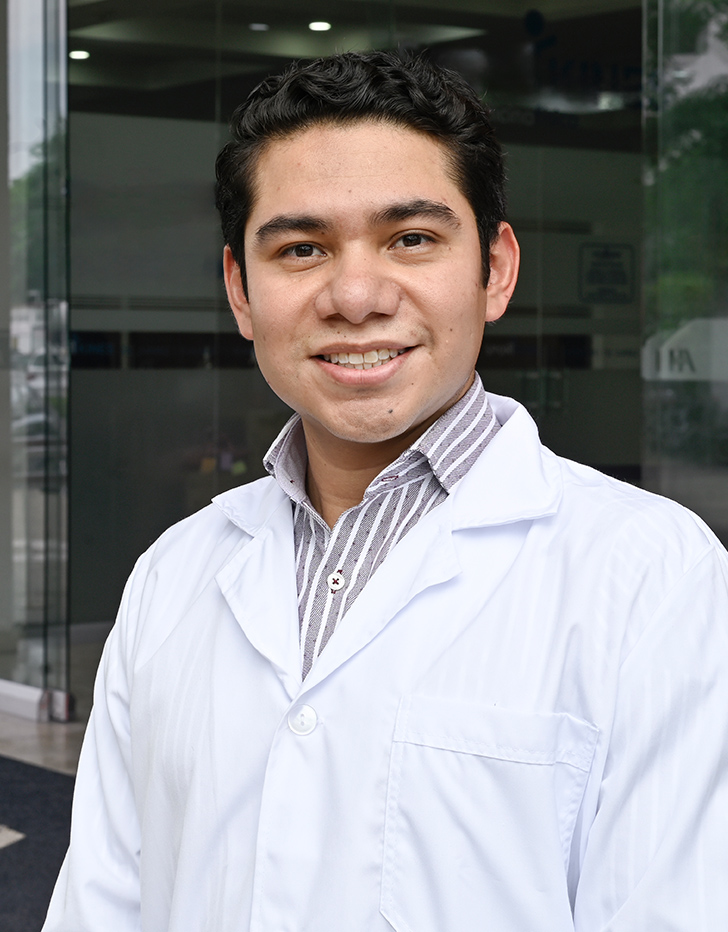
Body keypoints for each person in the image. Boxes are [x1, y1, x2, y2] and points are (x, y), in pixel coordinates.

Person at [44, 51, 728, 932]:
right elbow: (102, 903)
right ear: (240, 292)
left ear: (495, 269)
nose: (357, 296)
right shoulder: (173, 576)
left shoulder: (653, 577)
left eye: (411, 239)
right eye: (301, 249)